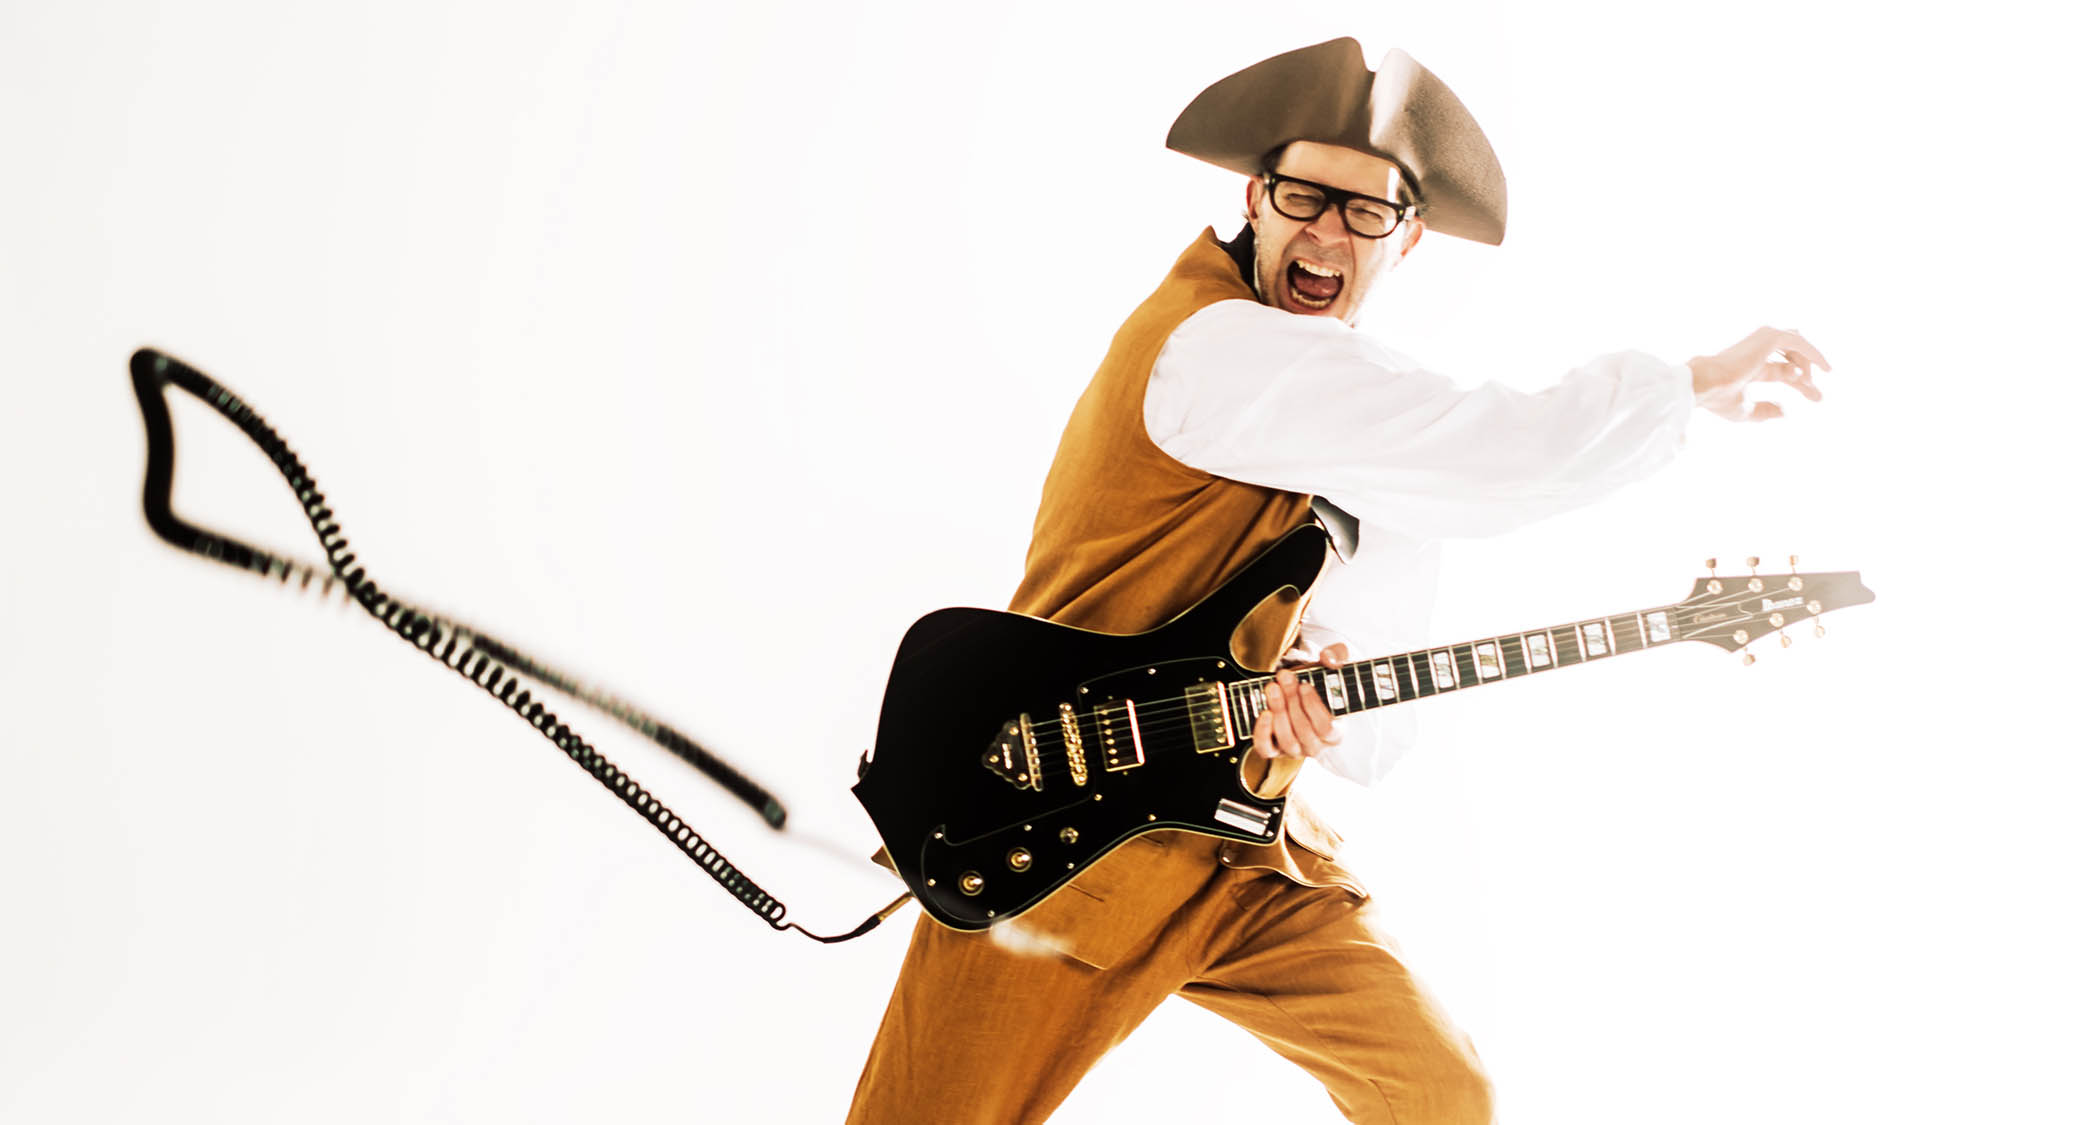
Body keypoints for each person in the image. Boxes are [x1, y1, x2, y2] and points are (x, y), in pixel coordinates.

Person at [846, 38, 1826, 1125]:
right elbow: (1500, 450)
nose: (1326, 233)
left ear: (1407, 243)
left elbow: (1374, 728)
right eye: (1306, 196)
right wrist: (1687, 385)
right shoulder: (1214, 346)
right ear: (1256, 198)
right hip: (1066, 845)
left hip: (1246, 848)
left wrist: (1314, 702)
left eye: (1366, 214)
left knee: (1441, 1098)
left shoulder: (1370, 460)